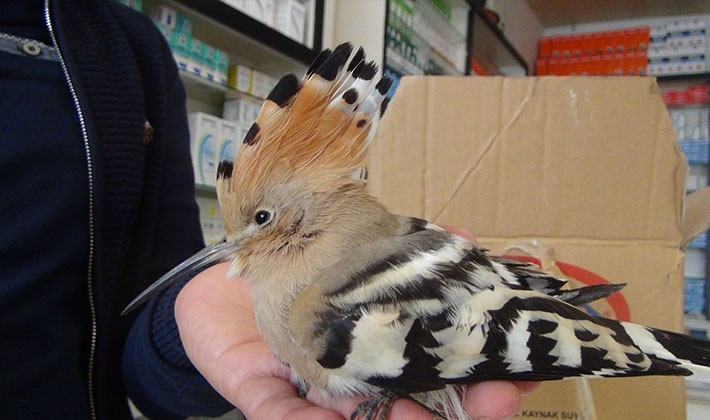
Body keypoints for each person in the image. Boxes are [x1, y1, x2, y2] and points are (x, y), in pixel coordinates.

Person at [0, 0, 532, 418]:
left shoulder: (126, 50)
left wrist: (181, 336)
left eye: (259, 220)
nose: (237, 242)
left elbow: (133, 355)